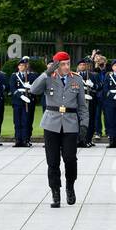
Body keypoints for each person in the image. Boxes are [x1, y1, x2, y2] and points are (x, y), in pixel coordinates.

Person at [27, 51, 88, 208]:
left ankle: (70, 186)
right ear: (56, 65)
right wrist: (46, 73)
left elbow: (82, 105)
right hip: (51, 123)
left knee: (70, 158)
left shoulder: (77, 79)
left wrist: (84, 124)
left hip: (70, 123)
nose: (66, 67)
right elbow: (33, 90)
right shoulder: (48, 78)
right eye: (62, 64)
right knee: (52, 161)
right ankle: (55, 192)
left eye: (68, 63)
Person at [8, 57, 36, 147]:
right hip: (18, 101)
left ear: (26, 66)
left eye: (23, 65)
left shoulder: (31, 76)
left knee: (26, 121)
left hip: (28, 101)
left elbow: (36, 87)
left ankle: (25, 139)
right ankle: (18, 140)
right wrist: (21, 96)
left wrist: (30, 87)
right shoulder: (14, 76)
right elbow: (12, 88)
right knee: (17, 121)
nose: (21, 67)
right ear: (18, 67)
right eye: (20, 65)